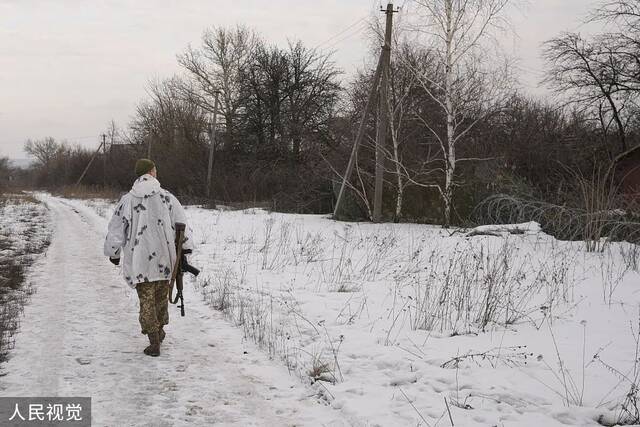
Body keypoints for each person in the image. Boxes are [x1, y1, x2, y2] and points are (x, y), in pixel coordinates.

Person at [104, 159, 193, 357]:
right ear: (151, 172)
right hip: (164, 258)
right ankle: (158, 331)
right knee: (161, 298)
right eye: (155, 169)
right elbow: (182, 224)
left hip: (140, 260)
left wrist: (114, 252)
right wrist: (186, 249)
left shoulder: (127, 200)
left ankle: (154, 337)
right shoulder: (167, 197)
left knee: (146, 300)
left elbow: (117, 228)